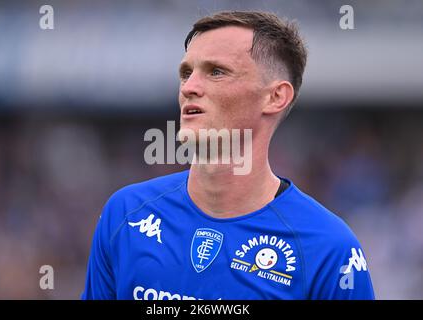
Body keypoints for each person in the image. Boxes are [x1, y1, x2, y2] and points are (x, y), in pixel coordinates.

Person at [82, 11, 375, 300]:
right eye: (186, 73)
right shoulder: (126, 213)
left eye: (216, 72)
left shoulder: (328, 248)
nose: (189, 88)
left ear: (275, 97)